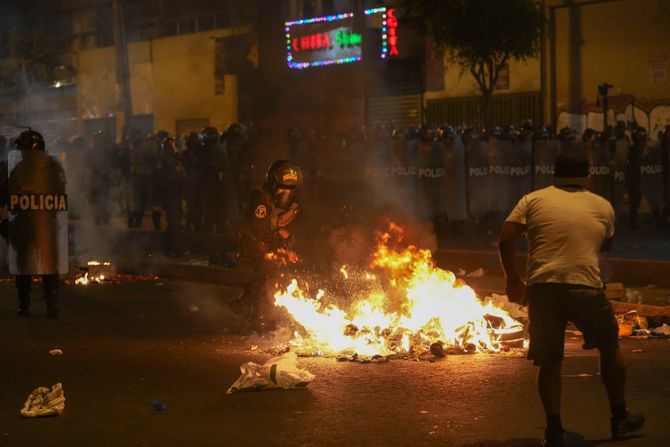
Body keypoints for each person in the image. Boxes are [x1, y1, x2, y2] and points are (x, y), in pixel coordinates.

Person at [498, 147, 644, 447]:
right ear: (587, 177)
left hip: (543, 289)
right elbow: (606, 245)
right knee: (609, 346)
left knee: (550, 361)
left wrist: (513, 280)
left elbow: (505, 238)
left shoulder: (533, 199)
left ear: (554, 175)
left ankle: (553, 429)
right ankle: (619, 417)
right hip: (585, 287)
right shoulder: (602, 205)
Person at [1, 130, 66, 318]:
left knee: (49, 265)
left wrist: (32, 195)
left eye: (23, 148)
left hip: (46, 222)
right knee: (23, 265)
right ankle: (24, 304)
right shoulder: (19, 168)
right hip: (23, 222)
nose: (21, 151)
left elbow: (59, 194)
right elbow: (6, 190)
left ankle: (51, 303)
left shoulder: (53, 167)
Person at [230, 160, 302, 330]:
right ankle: (245, 304)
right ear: (273, 183)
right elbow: (260, 231)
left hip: (270, 240)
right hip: (251, 243)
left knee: (283, 269)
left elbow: (284, 227)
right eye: (282, 187)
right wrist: (281, 249)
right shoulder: (260, 199)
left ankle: (260, 315)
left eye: (290, 188)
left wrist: (287, 241)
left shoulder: (293, 203)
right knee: (269, 268)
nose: (286, 192)